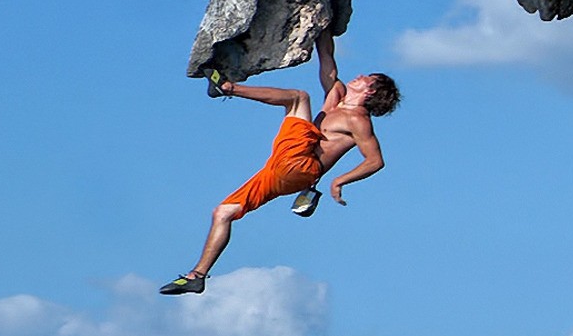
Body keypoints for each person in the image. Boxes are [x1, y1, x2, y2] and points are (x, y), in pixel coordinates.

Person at [160, 32, 399, 295]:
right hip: (280, 170)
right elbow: (326, 56)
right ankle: (197, 276)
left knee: (299, 98)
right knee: (223, 213)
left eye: (367, 78)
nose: (360, 76)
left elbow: (375, 161)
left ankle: (226, 88)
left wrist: (339, 180)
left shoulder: (358, 119)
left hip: (301, 166)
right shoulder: (337, 96)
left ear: (372, 90)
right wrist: (323, 24)